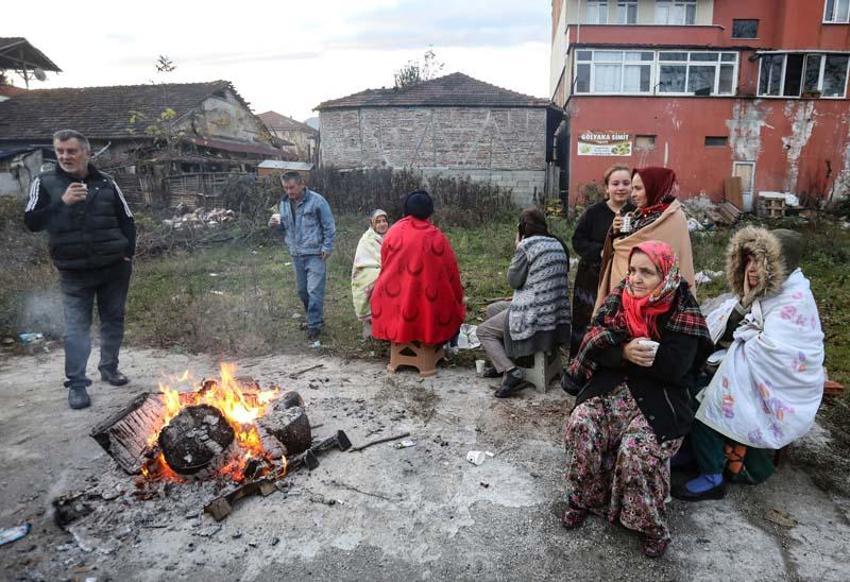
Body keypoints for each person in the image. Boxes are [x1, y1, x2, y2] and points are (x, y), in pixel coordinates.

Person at [561, 241, 712, 558]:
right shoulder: (618, 300)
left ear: (666, 275)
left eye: (647, 272)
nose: (635, 278)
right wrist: (625, 352)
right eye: (632, 270)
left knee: (636, 449)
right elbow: (596, 343)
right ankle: (585, 497)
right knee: (581, 424)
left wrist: (623, 355)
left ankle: (648, 524)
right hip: (612, 390)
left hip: (660, 399)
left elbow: (674, 369)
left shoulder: (682, 309)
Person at [674, 227, 824, 501]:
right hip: (750, 370)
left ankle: (713, 476)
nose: (752, 269)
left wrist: (739, 342)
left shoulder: (794, 298)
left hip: (781, 386)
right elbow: (729, 330)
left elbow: (779, 351)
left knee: (709, 399)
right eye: (749, 260)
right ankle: (694, 453)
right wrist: (744, 304)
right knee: (689, 379)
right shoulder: (766, 290)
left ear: (780, 265)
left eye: (761, 262)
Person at [24, 129, 136, 410]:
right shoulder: (45, 182)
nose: (65, 156)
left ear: (87, 152)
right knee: (76, 329)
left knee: (113, 320)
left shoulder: (107, 183)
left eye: (71, 151)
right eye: (60, 151)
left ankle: (109, 368)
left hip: (114, 268)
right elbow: (31, 222)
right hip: (74, 271)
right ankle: (76, 384)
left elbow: (128, 220)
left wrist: (127, 256)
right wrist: (61, 203)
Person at [478, 208, 571, 397]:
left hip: (534, 316)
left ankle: (512, 373)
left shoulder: (527, 246)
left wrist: (517, 247)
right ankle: (502, 363)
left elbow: (513, 280)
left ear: (521, 229)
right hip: (555, 315)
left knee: (483, 331)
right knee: (492, 309)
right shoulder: (557, 244)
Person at [370, 190, 465, 346]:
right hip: (429, 305)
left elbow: (385, 265)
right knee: (447, 299)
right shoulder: (437, 236)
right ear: (429, 211)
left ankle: (397, 337)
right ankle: (434, 340)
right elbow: (451, 273)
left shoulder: (393, 232)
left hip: (395, 301)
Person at [595, 167, 695, 314]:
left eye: (638, 188)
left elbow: (656, 258)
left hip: (653, 299)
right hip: (626, 291)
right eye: (633, 188)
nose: (633, 194)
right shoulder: (642, 213)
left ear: (653, 187)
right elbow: (624, 244)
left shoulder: (670, 218)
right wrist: (616, 232)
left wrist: (621, 243)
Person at [570, 165, 634, 355]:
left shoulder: (637, 212)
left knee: (615, 319)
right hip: (591, 277)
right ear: (607, 188)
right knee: (587, 317)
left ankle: (609, 360)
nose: (621, 188)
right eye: (615, 183)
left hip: (623, 278)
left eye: (625, 183)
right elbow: (577, 240)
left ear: (632, 187)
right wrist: (601, 251)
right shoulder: (594, 212)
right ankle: (580, 361)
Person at [269, 172, 336, 347]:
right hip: (296, 253)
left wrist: (327, 247)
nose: (289, 191)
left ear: (301, 184)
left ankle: (314, 327)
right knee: (302, 291)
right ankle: (315, 318)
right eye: (285, 188)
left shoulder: (317, 201)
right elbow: (285, 225)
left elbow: (329, 225)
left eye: (292, 187)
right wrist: (275, 225)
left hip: (315, 253)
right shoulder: (283, 203)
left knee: (314, 290)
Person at [351, 209, 390, 338]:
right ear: (372, 224)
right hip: (369, 273)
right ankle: (371, 327)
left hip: (388, 271)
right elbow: (363, 262)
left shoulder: (393, 235)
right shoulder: (367, 240)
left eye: (384, 221)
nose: (382, 224)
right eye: (378, 222)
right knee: (377, 283)